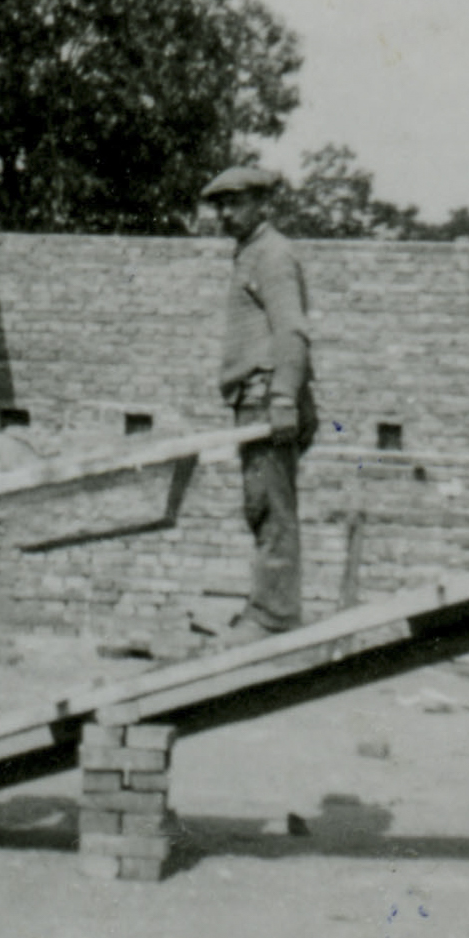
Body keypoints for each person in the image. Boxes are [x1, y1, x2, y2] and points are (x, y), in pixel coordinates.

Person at [205, 165, 316, 645]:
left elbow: (291, 329)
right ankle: (267, 606)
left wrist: (285, 396)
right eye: (220, 206)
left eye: (235, 203)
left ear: (261, 204)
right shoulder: (250, 253)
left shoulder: (273, 254)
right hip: (255, 397)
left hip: (268, 396)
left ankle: (274, 617)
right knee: (260, 504)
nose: (225, 214)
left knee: (271, 505)